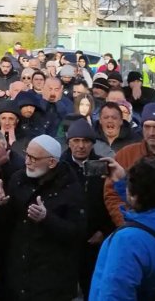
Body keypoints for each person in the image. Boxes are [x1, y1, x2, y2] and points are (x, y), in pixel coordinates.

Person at [0, 134, 87, 301]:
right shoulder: (18, 179)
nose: (27, 162)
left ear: (51, 162)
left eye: (33, 158)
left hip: (52, 279)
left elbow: (76, 233)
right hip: (19, 273)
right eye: (26, 155)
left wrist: (47, 219)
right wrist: (2, 204)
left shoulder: (71, 188)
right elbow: (8, 224)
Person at [90, 158, 155, 300]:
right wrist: (122, 182)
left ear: (133, 195)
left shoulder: (128, 240)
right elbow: (150, 208)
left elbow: (115, 294)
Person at [60, 119, 114, 299]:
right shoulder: (60, 167)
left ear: (93, 143)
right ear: (69, 142)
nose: (81, 146)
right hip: (65, 240)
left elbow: (110, 200)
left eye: (86, 141)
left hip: (95, 239)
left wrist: (104, 230)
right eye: (76, 141)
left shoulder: (102, 165)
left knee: (93, 288)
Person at [104, 102, 155, 226]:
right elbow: (112, 194)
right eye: (147, 126)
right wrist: (127, 222)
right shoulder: (126, 154)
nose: (151, 132)